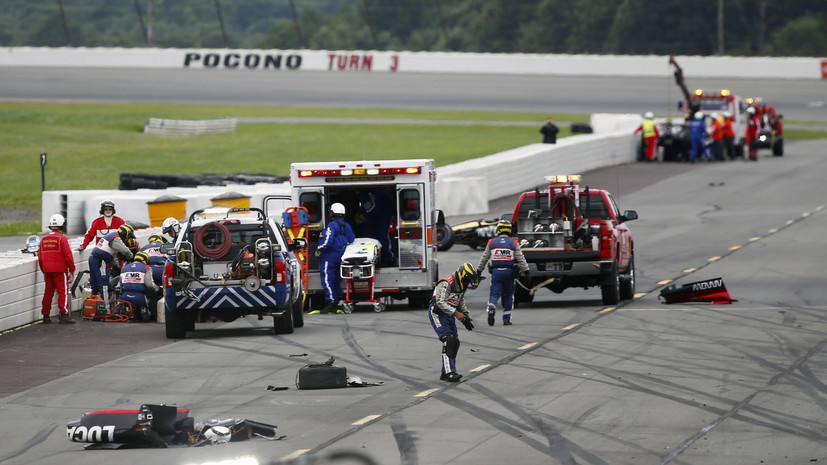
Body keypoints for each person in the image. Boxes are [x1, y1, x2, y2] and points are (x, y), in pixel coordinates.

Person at [428, 262, 479, 382]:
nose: (467, 284)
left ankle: (448, 370)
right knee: (448, 340)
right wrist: (457, 314)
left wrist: (465, 315)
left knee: (455, 342)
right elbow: (440, 302)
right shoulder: (446, 283)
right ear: (462, 276)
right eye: (467, 281)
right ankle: (448, 373)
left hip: (450, 313)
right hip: (438, 313)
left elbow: (460, 300)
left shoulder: (462, 286)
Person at [477, 220, 529, 326]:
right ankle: (506, 319)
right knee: (509, 295)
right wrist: (526, 270)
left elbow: (484, 258)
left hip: (496, 272)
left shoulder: (491, 242)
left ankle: (491, 307)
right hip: (509, 272)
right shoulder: (513, 243)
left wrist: (479, 270)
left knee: (494, 293)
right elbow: (520, 258)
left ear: (498, 229)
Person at [312, 203, 355, 314]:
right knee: (336, 281)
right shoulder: (347, 226)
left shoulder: (331, 226)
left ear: (332, 213)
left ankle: (330, 303)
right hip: (341, 258)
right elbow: (351, 239)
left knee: (327, 280)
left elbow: (327, 241)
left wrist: (319, 248)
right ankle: (336, 302)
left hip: (329, 257)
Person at [38, 214, 76, 324]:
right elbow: (68, 256)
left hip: (47, 270)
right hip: (60, 270)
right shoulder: (63, 238)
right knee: (63, 292)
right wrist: (72, 270)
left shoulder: (44, 239)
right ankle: (63, 315)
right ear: (62, 226)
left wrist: (43, 270)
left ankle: (45, 315)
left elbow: (40, 258)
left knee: (48, 292)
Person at [88, 224, 134, 300]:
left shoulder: (111, 237)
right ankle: (105, 306)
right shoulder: (116, 238)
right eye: (128, 236)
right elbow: (125, 251)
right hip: (100, 260)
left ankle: (95, 304)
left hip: (93, 258)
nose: (128, 239)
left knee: (95, 284)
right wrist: (133, 257)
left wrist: (116, 267)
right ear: (125, 233)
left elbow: (111, 256)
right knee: (104, 284)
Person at [118, 252, 161, 321]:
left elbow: (120, 285)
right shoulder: (147, 268)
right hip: (140, 297)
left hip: (125, 297)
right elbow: (149, 284)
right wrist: (158, 289)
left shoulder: (124, 268)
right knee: (149, 316)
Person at [357, 187, 395, 266]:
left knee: (384, 236)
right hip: (375, 218)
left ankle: (389, 258)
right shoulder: (362, 193)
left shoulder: (374, 191)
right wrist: (362, 213)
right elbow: (365, 206)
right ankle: (374, 258)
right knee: (372, 237)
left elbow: (376, 205)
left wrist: (365, 214)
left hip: (384, 216)